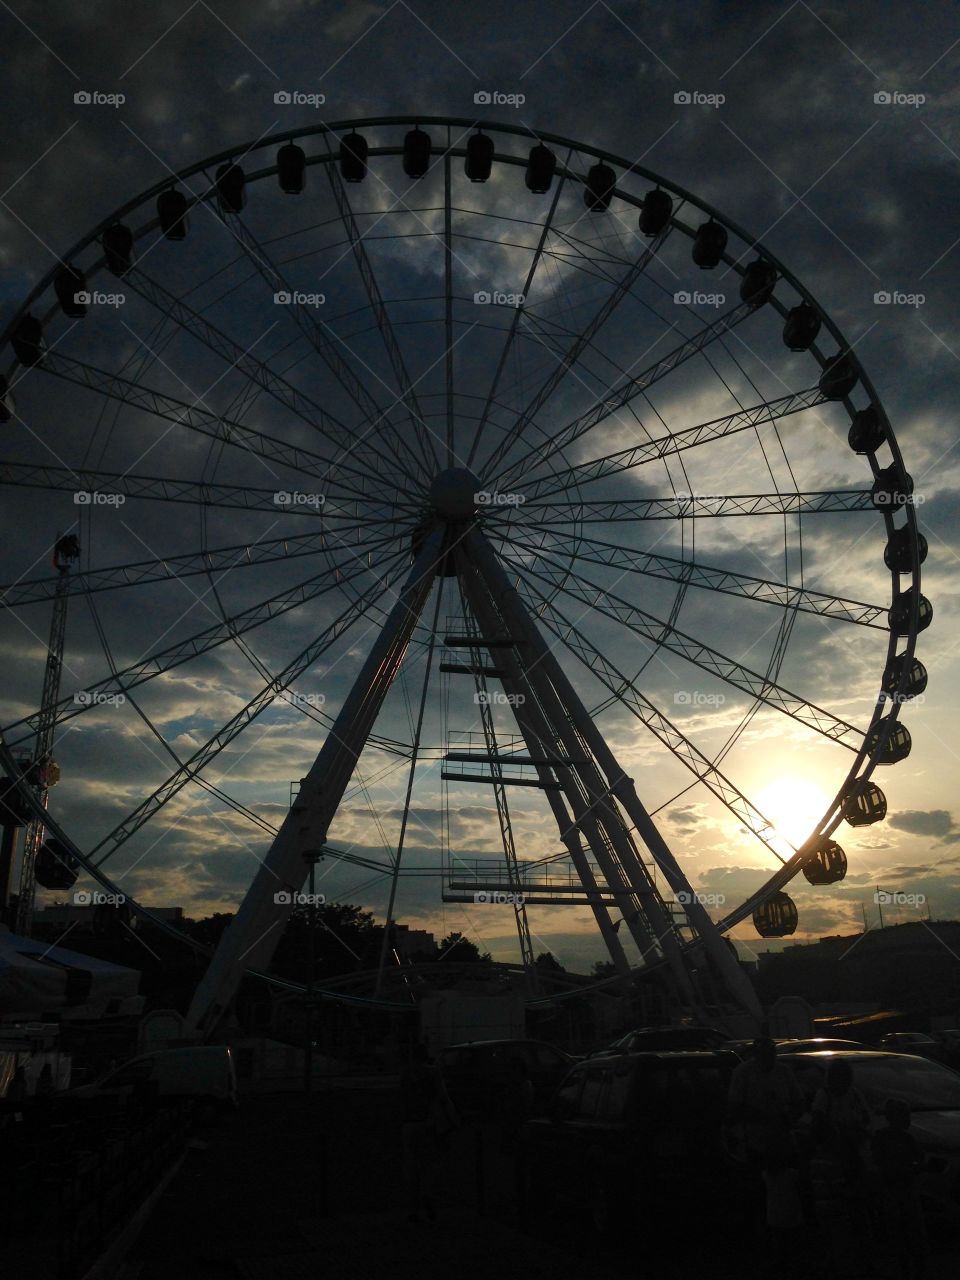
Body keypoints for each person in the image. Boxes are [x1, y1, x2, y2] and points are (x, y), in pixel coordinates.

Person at [727, 1039, 805, 1268]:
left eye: (771, 1055)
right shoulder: (743, 1073)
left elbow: (798, 1102)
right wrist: (761, 1116)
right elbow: (734, 1109)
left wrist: (786, 1118)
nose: (768, 1059)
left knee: (784, 1198)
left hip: (781, 1145)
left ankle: (784, 1245)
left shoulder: (784, 1072)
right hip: (755, 1146)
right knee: (760, 1198)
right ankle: (763, 1247)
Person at [870, 1099, 928, 1280]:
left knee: (905, 1232)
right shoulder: (894, 1138)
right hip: (898, 1189)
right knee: (907, 1232)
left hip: (899, 1189)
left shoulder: (888, 1137)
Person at [399, 1043, 457, 1223]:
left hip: (408, 1122)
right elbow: (443, 1096)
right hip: (428, 1121)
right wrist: (453, 1117)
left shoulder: (405, 1074)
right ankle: (428, 1194)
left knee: (411, 1165)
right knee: (432, 1161)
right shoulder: (433, 1073)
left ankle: (412, 1209)